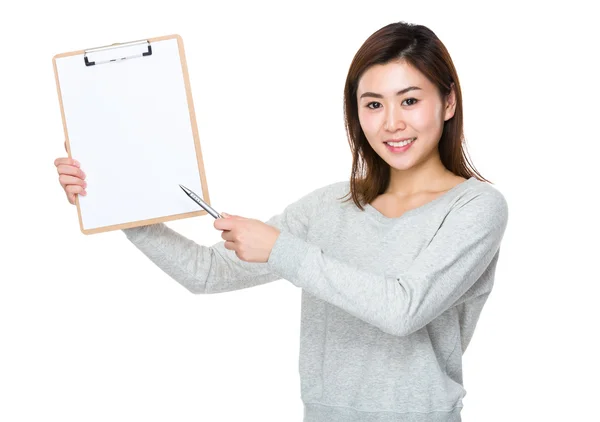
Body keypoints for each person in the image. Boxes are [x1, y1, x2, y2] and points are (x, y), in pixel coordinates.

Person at [54, 21, 508, 422]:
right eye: (373, 105)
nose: (391, 123)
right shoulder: (327, 206)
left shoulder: (476, 208)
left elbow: (404, 309)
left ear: (448, 103)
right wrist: (121, 208)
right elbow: (206, 273)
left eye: (409, 100)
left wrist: (281, 249)